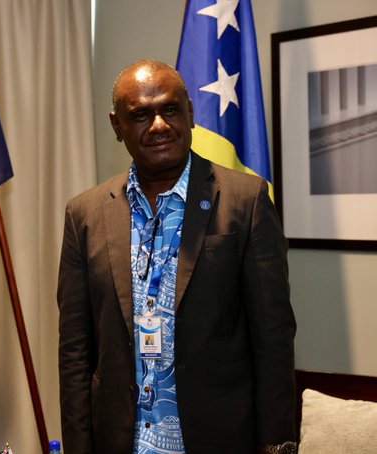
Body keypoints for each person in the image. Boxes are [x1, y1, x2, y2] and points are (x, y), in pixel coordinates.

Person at [57, 60, 297, 453]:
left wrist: (277, 445)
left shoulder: (245, 200)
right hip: (120, 439)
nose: (159, 126)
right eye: (140, 115)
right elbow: (75, 350)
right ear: (117, 126)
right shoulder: (85, 214)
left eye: (170, 109)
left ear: (190, 111)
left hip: (220, 437)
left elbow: (274, 338)